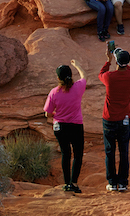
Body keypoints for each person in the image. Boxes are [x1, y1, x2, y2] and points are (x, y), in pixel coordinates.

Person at [44, 60, 87, 194]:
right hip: (76, 125)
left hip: (60, 127)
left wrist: (58, 114)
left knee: (65, 153)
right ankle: (74, 183)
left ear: (58, 78)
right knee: (78, 154)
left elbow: (48, 114)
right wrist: (78, 66)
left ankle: (67, 183)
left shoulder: (54, 92)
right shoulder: (78, 87)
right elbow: (84, 77)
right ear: (70, 75)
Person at [98, 46, 130, 192]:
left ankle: (112, 182)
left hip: (109, 118)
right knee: (124, 151)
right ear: (127, 62)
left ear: (117, 62)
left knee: (110, 151)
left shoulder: (109, 77)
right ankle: (123, 183)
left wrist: (109, 60)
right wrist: (120, 58)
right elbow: (129, 69)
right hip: (124, 119)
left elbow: (101, 73)